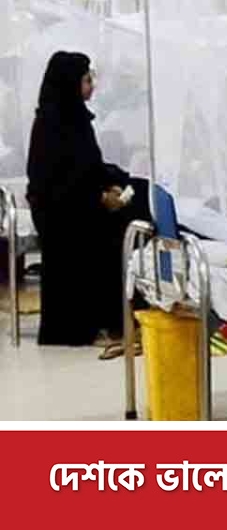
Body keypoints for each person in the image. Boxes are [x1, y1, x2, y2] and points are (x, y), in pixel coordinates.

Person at [26, 52, 148, 347]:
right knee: (118, 229)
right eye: (86, 80)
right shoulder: (51, 125)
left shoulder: (75, 118)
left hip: (79, 201)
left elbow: (89, 166)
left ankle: (131, 313)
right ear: (69, 83)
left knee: (142, 195)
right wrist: (99, 198)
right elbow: (53, 183)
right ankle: (107, 321)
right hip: (62, 212)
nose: (92, 86)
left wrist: (116, 182)